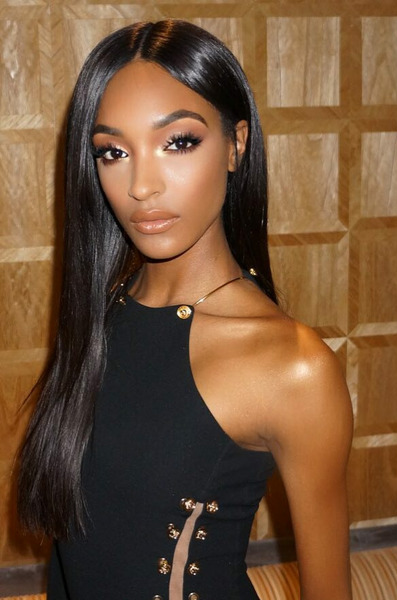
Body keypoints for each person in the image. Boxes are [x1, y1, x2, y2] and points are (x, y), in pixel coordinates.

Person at [18, 20, 353, 600]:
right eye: (114, 152)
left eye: (178, 142)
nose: (142, 186)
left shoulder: (294, 367)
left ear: (236, 145)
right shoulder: (97, 321)